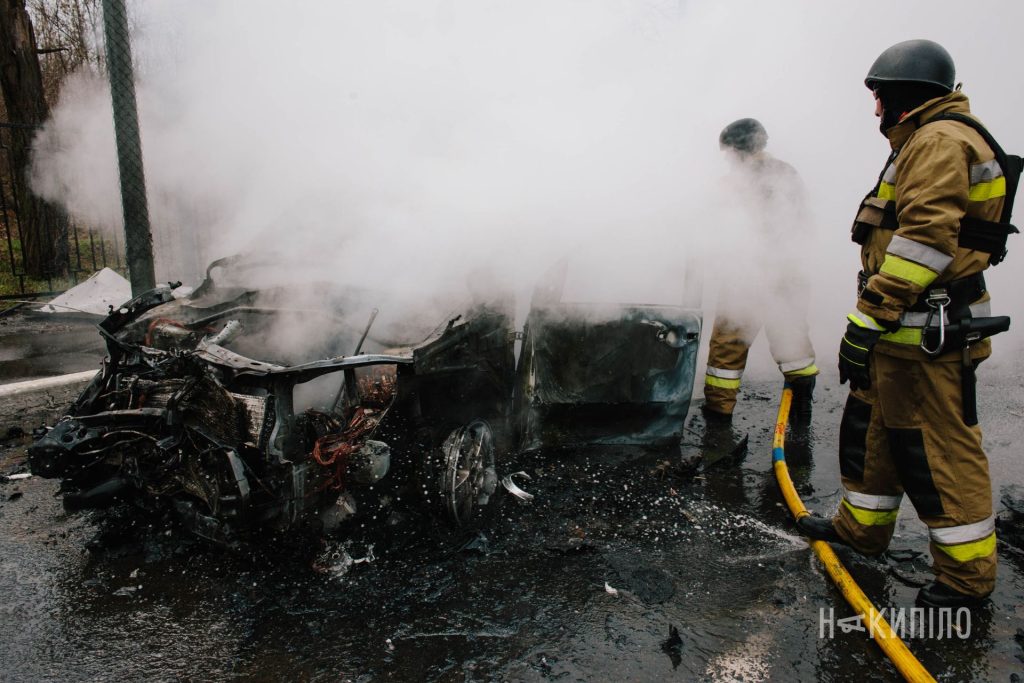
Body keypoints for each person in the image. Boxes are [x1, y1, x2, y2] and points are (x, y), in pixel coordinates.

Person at [798, 39, 1020, 608]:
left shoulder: (939, 141)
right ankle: (861, 532)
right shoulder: (925, 137)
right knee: (875, 436)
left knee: (937, 452)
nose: (875, 110)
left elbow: (924, 242)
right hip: (904, 336)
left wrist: (867, 320)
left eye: (880, 97)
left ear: (905, 95)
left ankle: (966, 583)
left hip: (925, 335)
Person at [702, 118, 818, 426]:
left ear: (737, 150)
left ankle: (718, 416)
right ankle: (800, 412)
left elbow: (717, 229)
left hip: (746, 276)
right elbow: (803, 223)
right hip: (789, 274)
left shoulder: (733, 184)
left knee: (727, 347)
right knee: (793, 345)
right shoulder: (788, 174)